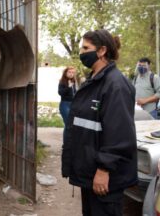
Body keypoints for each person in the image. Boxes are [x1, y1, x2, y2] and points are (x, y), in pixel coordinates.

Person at [61, 29, 137, 216]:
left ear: (102, 51)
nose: (81, 53)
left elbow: (119, 134)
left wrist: (104, 169)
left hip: (105, 179)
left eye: (86, 48)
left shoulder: (115, 85)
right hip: (89, 174)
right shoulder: (94, 82)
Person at [58, 66, 77, 143]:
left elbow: (74, 94)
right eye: (69, 72)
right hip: (65, 105)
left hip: (73, 105)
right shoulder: (62, 82)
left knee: (72, 125)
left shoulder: (74, 82)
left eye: (73, 72)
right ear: (65, 73)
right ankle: (66, 144)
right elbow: (60, 93)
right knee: (68, 124)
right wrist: (68, 87)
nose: (71, 74)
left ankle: (70, 143)